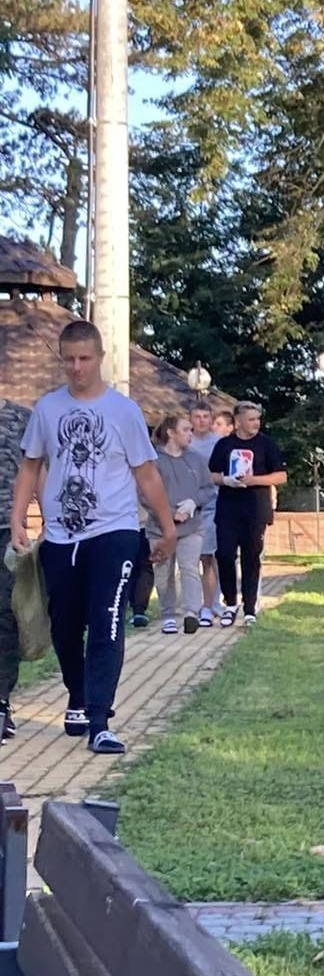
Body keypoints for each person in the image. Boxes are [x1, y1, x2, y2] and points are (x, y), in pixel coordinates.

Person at [9, 320, 176, 755]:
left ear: (99, 358)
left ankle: (101, 719)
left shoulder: (124, 411)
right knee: (64, 625)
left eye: (85, 359)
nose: (77, 367)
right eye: (69, 359)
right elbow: (30, 466)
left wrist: (167, 527)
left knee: (107, 617)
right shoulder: (48, 409)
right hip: (63, 535)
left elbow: (147, 472)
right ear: (61, 359)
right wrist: (18, 520)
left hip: (115, 531)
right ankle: (78, 695)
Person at [209, 401, 286, 626]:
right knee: (224, 555)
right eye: (251, 419)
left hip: (255, 510)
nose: (256, 423)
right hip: (228, 509)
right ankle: (231, 602)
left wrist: (255, 480)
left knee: (251, 558)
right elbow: (212, 474)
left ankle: (250, 607)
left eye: (257, 419)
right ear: (238, 421)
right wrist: (225, 480)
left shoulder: (266, 445)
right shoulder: (224, 445)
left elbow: (281, 476)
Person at [152, 413, 206, 633]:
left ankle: (191, 612)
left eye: (191, 430)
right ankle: (168, 615)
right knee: (163, 571)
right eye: (186, 430)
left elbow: (208, 489)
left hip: (192, 526)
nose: (191, 434)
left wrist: (194, 502)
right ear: (171, 433)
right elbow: (146, 494)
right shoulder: (153, 461)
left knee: (189, 567)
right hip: (159, 528)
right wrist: (171, 514)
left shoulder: (196, 459)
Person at [0, 400, 28, 743]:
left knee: (4, 616)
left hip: (6, 529)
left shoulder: (21, 418)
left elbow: (37, 470)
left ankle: (1, 702)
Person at [184, 400, 222, 625]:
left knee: (209, 556)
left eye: (205, 417)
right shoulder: (185, 443)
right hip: (186, 505)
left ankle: (210, 604)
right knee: (189, 560)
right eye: (197, 417)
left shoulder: (219, 443)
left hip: (212, 504)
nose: (201, 421)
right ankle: (191, 604)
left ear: (211, 419)